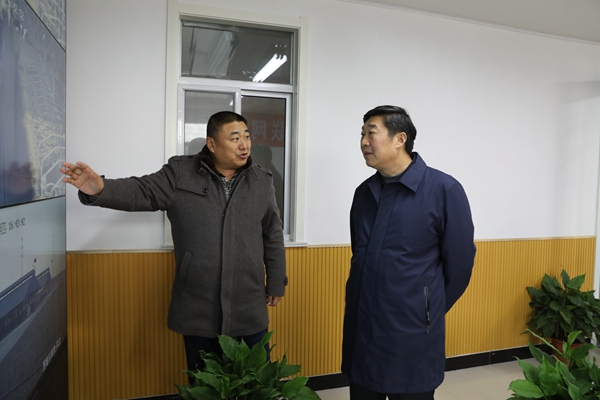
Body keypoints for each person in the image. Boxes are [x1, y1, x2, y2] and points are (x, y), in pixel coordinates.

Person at [61, 111, 287, 375]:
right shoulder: (181, 174)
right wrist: (101, 188)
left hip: (248, 301)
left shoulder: (261, 180)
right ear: (212, 144)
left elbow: (272, 232)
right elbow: (142, 191)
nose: (244, 145)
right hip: (199, 303)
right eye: (235, 138)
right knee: (204, 383)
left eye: (247, 137)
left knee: (256, 381)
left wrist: (276, 280)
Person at [342, 105, 476, 400]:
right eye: (362, 134)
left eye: (371, 133)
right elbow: (360, 254)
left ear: (400, 139)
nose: (363, 142)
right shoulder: (364, 193)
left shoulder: (443, 190)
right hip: (363, 327)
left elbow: (460, 267)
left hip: (412, 333)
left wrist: (425, 308)